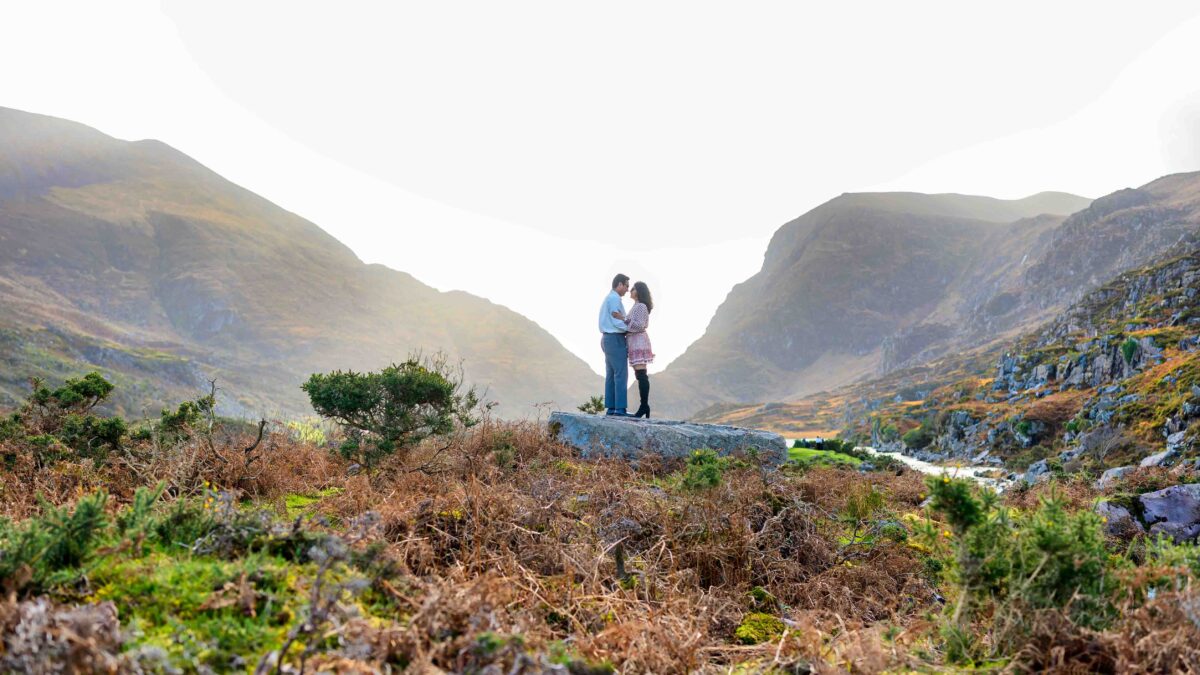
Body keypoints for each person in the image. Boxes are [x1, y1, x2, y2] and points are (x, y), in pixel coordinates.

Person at [612, 281, 655, 418]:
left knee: (641, 374)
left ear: (639, 291)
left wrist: (622, 318)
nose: (630, 290)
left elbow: (640, 326)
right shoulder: (636, 306)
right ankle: (644, 406)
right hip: (634, 341)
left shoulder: (641, 306)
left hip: (639, 341)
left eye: (633, 288)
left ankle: (644, 406)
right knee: (639, 374)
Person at [598, 273, 630, 415]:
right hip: (615, 338)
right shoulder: (614, 299)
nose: (628, 289)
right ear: (619, 284)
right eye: (626, 286)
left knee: (611, 373)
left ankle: (611, 408)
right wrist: (630, 328)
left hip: (607, 338)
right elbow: (616, 320)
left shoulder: (609, 298)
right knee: (621, 373)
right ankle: (620, 408)